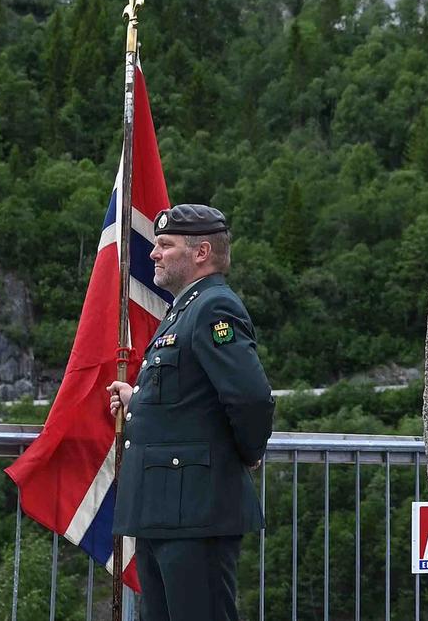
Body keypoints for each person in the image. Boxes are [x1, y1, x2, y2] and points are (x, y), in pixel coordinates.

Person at [107, 204, 275, 621]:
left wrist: (249, 451)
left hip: (196, 511)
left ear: (201, 252)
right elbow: (187, 396)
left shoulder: (215, 308)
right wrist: (138, 401)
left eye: (165, 245)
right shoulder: (184, 310)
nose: (153, 253)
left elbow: (251, 397)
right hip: (168, 512)